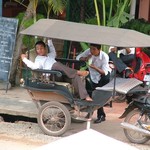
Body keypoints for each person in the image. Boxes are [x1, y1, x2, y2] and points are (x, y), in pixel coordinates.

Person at [21, 39, 92, 102]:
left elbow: (53, 50)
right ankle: (77, 71)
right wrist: (24, 59)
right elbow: (34, 66)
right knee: (56, 64)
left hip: (59, 73)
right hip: (52, 76)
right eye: (38, 49)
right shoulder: (38, 59)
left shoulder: (50, 55)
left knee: (76, 77)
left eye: (41, 48)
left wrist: (49, 40)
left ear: (45, 48)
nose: (40, 50)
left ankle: (85, 96)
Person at [76, 43, 111, 123]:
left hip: (103, 76)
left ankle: (101, 115)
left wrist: (95, 67)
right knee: (91, 93)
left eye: (94, 49)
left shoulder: (104, 56)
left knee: (99, 95)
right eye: (91, 48)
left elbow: (104, 72)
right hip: (92, 75)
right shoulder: (89, 52)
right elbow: (78, 58)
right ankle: (90, 112)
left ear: (99, 50)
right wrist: (85, 58)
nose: (92, 51)